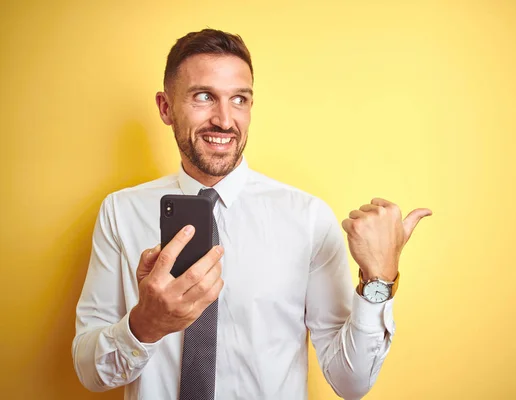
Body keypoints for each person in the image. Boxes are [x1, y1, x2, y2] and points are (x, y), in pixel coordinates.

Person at [72, 29, 432, 400]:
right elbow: (89, 372)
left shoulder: (307, 218)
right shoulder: (120, 211)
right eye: (204, 97)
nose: (225, 121)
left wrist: (379, 279)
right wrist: (144, 325)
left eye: (239, 99)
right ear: (165, 108)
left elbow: (350, 382)